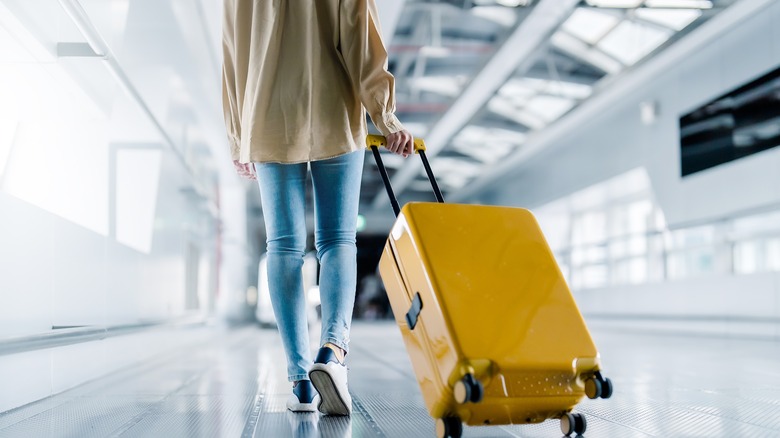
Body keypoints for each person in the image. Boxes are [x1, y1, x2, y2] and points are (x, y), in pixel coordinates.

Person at [221, 0, 413, 416]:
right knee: (337, 240)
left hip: (268, 112)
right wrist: (386, 116)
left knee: (284, 246)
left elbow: (234, 51)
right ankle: (334, 350)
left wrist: (238, 133)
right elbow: (361, 39)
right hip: (334, 108)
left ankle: (301, 383)